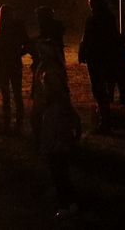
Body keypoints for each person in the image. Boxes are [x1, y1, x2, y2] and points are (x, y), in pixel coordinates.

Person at [33, 40, 81, 217]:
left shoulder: (50, 73)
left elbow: (57, 95)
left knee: (56, 162)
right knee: (60, 163)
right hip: (56, 117)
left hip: (55, 118)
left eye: (43, 53)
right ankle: (71, 201)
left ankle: (64, 204)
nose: (40, 56)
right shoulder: (52, 70)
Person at [78, 0, 121, 133]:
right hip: (102, 57)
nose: (90, 4)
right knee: (102, 89)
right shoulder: (105, 17)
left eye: (91, 2)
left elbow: (89, 37)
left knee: (99, 89)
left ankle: (105, 121)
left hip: (98, 57)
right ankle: (106, 119)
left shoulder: (97, 18)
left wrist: (84, 50)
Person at [0, 4, 31, 134]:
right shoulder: (14, 27)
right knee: (12, 95)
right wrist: (19, 53)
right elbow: (27, 43)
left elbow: (26, 43)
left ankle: (12, 124)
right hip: (10, 64)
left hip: (6, 64)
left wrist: (18, 53)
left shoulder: (1, 29)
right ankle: (12, 124)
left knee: (13, 95)